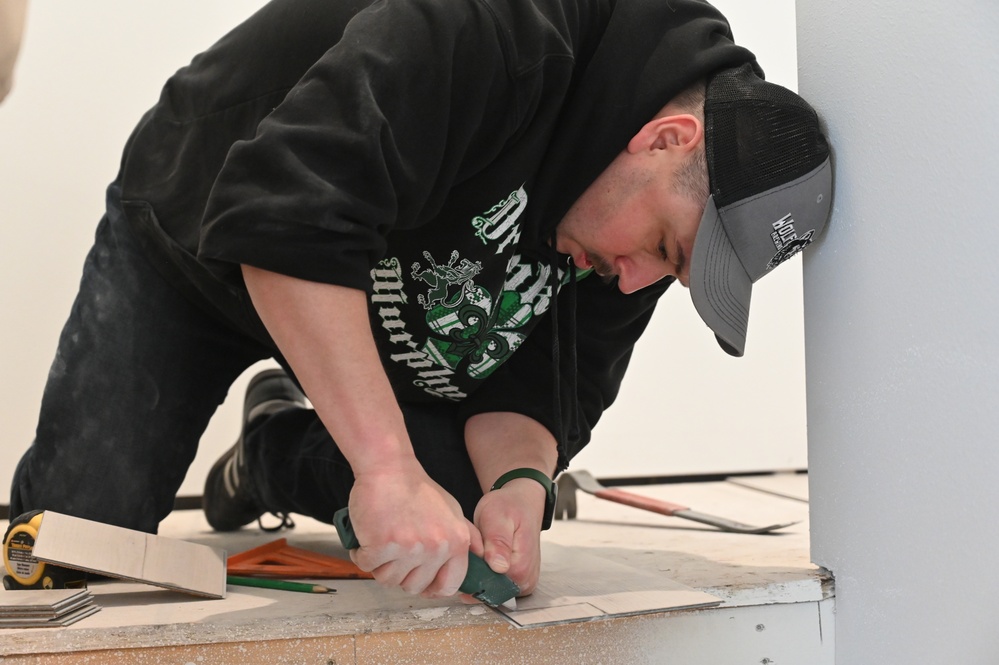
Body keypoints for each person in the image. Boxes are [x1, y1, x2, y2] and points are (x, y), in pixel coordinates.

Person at [9, 0, 832, 601]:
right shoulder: (501, 28)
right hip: (198, 236)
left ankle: (270, 447)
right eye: (665, 249)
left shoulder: (627, 233)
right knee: (67, 558)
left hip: (375, 302)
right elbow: (284, 217)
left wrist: (517, 486)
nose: (637, 280)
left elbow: (553, 383)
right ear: (664, 141)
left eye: (672, 275)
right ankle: (332, 433)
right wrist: (384, 467)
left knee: (469, 514)